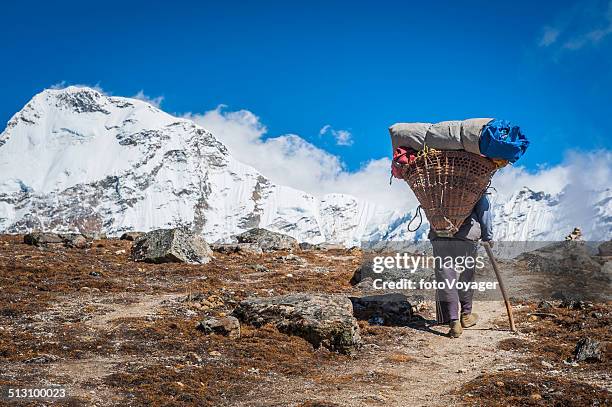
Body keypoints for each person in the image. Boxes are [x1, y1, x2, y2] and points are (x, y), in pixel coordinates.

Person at [429, 193, 493, 338]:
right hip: (466, 235)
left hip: (439, 233)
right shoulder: (472, 182)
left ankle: (453, 321)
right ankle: (466, 314)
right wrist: (488, 236)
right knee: (467, 274)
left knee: (446, 277)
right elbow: (484, 211)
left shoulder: (434, 184)